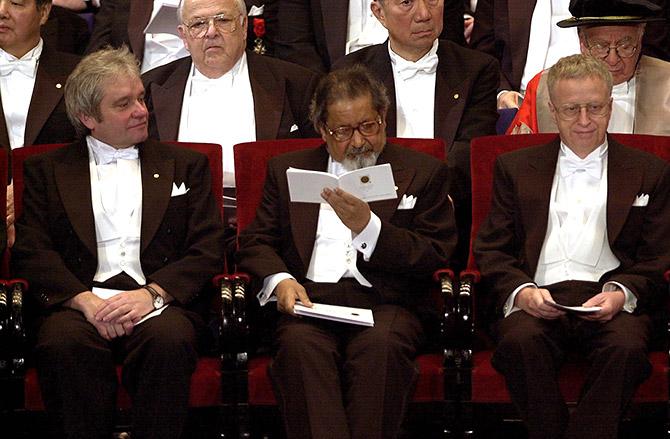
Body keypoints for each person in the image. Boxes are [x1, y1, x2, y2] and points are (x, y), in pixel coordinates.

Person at [11, 46, 225, 439]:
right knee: (61, 342)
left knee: (169, 339)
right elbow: (32, 251)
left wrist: (153, 295)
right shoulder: (46, 170)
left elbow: (208, 247)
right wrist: (84, 302)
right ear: (88, 117)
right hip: (79, 305)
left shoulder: (186, 165)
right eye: (124, 104)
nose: (142, 110)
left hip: (160, 305)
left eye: (140, 98)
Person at [236, 65, 457, 438]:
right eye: (342, 131)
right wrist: (281, 281)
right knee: (299, 347)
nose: (358, 142)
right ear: (323, 131)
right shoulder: (286, 170)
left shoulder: (423, 171)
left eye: (367, 126)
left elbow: (437, 253)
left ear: (384, 118)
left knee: (382, 349)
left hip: (385, 303)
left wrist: (369, 228)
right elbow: (255, 241)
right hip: (311, 301)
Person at [474, 54, 670, 439]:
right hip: (538, 295)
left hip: (610, 297)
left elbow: (658, 255)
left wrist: (622, 293)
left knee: (627, 350)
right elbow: (492, 249)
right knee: (518, 343)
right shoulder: (514, 167)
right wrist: (522, 292)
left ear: (610, 105)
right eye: (571, 109)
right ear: (551, 110)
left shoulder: (650, 170)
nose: (584, 121)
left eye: (595, 107)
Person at [334, 0, 498, 271]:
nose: (423, 14)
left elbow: (470, 149)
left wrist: (428, 198)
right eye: (406, 3)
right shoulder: (350, 73)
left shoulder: (477, 69)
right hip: (374, 210)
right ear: (379, 13)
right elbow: (350, 151)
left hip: (447, 214)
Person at [142, 0, 319, 229]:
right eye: (198, 24)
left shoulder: (297, 84)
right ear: (183, 36)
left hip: (271, 223)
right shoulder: (150, 88)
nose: (211, 32)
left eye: (223, 20)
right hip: (180, 225)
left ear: (244, 26)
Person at [507, 0, 670, 135]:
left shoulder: (667, 84)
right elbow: (519, 158)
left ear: (640, 39)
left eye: (625, 46)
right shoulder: (545, 87)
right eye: (600, 46)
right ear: (582, 43)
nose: (613, 59)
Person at [1, 0, 80, 247]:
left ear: (44, 12)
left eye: (15, 3)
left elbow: (89, 153)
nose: (1, 12)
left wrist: (25, 190)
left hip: (56, 212)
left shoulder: (79, 74)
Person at [274, 0, 466, 73]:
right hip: (334, 85)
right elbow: (295, 45)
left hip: (421, 76)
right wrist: (333, 91)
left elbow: (447, 38)